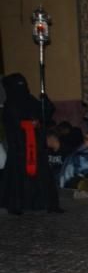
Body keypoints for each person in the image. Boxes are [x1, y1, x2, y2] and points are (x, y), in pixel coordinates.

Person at [0, 74, 61, 214]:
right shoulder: (9, 105)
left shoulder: (30, 100)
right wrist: (30, 124)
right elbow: (14, 125)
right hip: (19, 148)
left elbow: (45, 114)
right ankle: (17, 205)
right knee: (19, 177)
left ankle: (48, 204)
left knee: (42, 175)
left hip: (36, 146)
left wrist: (45, 101)